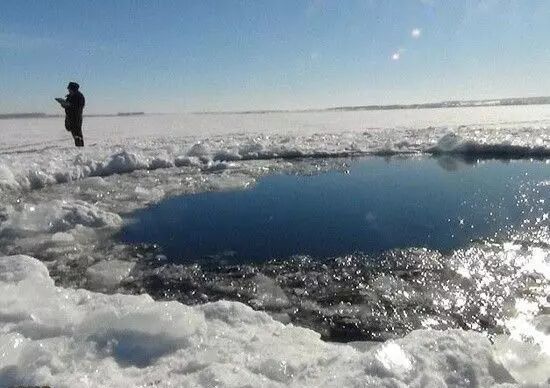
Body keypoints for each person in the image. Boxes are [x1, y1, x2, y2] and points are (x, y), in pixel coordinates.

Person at [56, 82, 85, 147]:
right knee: (74, 133)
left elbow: (78, 107)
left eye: (69, 88)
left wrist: (69, 105)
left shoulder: (79, 96)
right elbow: (67, 105)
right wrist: (64, 104)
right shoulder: (70, 96)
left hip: (76, 118)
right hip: (70, 117)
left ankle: (80, 148)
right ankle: (78, 147)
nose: (68, 90)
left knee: (77, 134)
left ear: (73, 89)